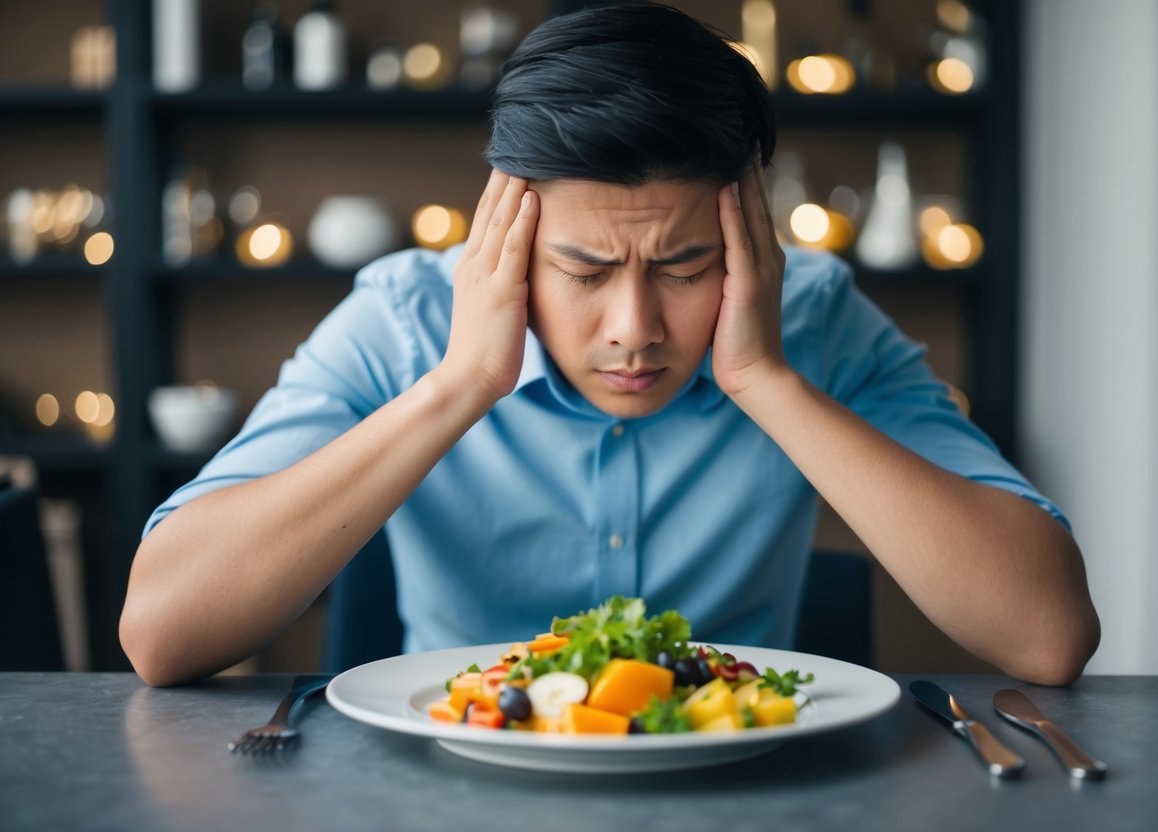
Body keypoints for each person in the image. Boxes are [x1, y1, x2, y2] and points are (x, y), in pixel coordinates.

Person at [120, 3, 1100, 687]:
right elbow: (162, 636)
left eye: (684, 267)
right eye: (585, 271)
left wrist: (764, 377)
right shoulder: (406, 316)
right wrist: (461, 382)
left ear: (748, 240)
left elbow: (1049, 636)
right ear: (508, 238)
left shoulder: (813, 314)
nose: (634, 329)